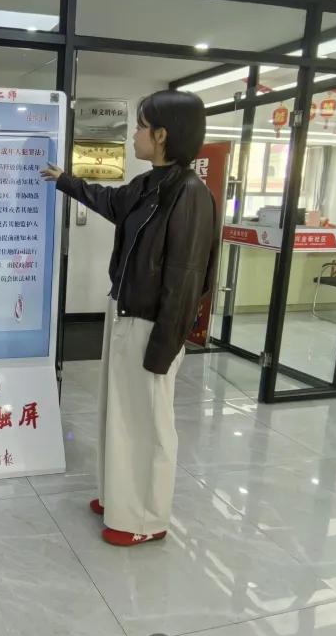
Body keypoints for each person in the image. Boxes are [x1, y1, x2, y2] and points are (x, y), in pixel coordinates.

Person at [42, 90, 217, 547]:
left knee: (149, 424)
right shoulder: (151, 183)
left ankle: (144, 520)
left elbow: (186, 280)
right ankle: (118, 498)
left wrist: (163, 349)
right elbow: (113, 202)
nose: (134, 135)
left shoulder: (190, 195)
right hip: (124, 313)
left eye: (140, 126)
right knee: (118, 415)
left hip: (152, 326)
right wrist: (66, 181)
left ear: (161, 135)